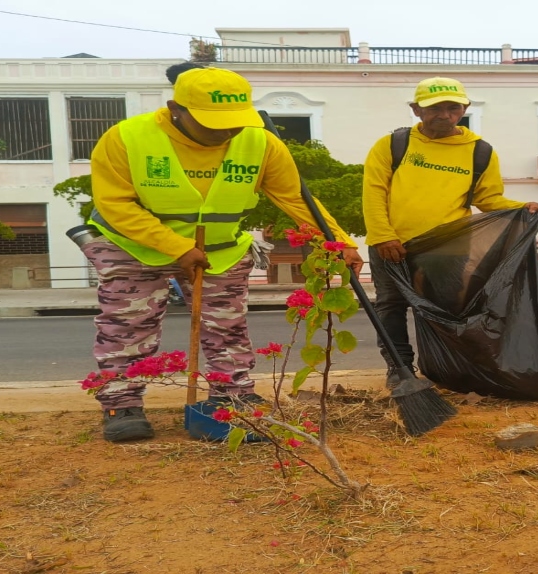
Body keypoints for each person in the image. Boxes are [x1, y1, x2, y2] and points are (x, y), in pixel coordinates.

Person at [83, 67, 363, 442]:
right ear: (176, 109)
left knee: (227, 327)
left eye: (234, 121)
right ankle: (122, 403)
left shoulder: (259, 141)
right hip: (132, 244)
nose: (226, 131)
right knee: (128, 325)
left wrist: (338, 242)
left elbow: (296, 198)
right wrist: (178, 247)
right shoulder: (126, 138)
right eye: (213, 123)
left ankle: (232, 395)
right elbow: (115, 204)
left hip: (219, 249)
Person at [362, 77, 538, 376]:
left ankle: (446, 368)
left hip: (449, 247)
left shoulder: (479, 151)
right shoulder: (394, 144)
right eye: (435, 108)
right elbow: (374, 191)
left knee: (447, 309)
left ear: (464, 110)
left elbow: (488, 198)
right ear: (416, 110)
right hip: (392, 245)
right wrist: (383, 236)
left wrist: (521, 208)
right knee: (391, 307)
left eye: (453, 107)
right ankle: (400, 370)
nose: (444, 115)